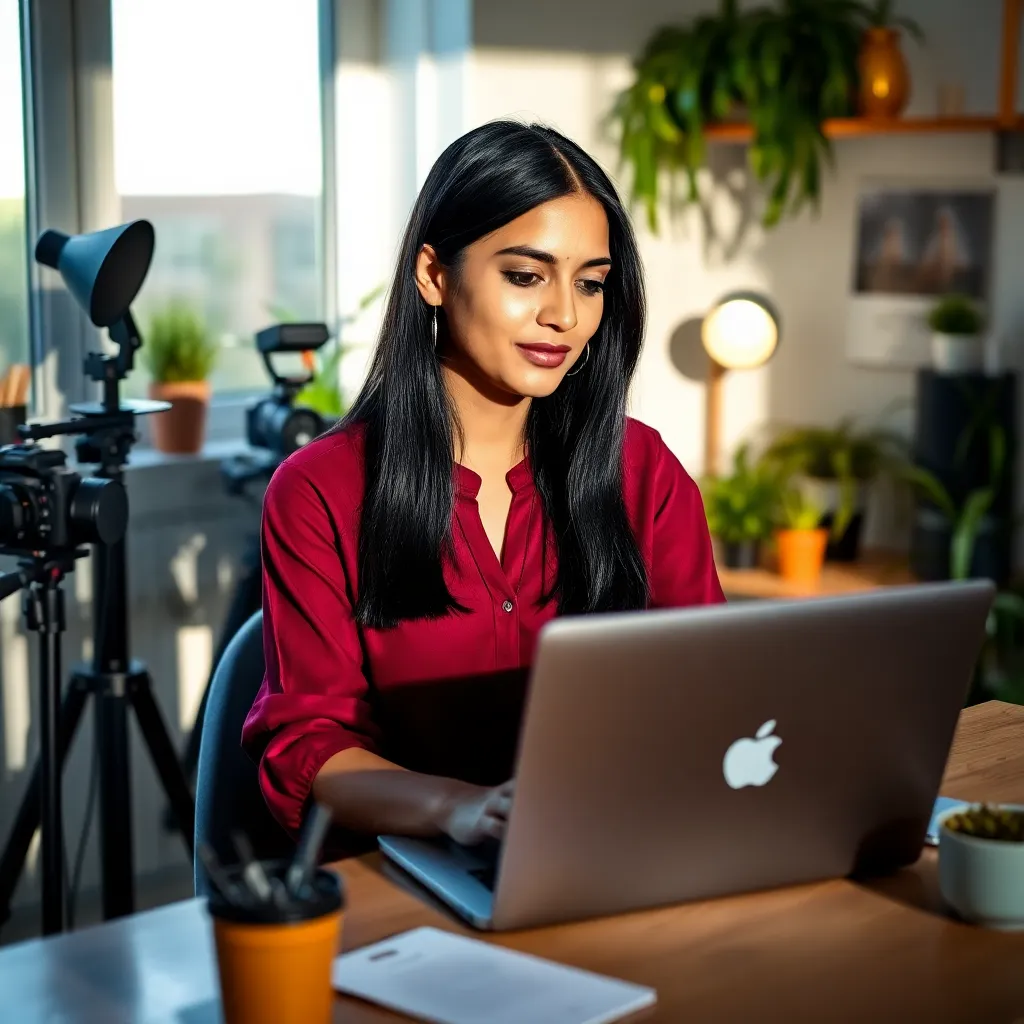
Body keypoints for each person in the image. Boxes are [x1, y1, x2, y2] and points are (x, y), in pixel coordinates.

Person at [241, 120, 725, 856]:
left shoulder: (643, 473)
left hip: (614, 851)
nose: (564, 314)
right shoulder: (319, 491)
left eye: (590, 283)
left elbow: (712, 688)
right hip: (406, 875)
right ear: (434, 274)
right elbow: (309, 745)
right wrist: (458, 808)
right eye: (526, 276)